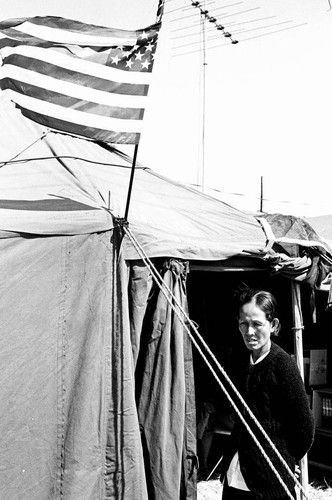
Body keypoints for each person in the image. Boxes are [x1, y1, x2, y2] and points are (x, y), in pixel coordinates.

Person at [220, 287, 315, 500]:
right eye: (243, 324)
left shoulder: (283, 365)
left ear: (274, 325)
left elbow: (304, 427)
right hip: (237, 473)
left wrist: (287, 458)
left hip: (271, 482)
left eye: (257, 324)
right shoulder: (240, 363)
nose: (249, 331)